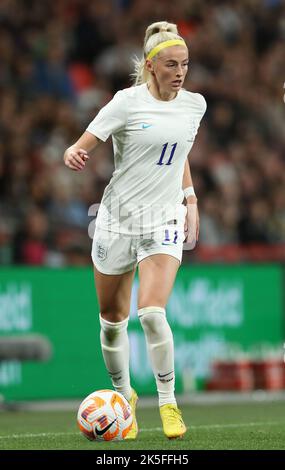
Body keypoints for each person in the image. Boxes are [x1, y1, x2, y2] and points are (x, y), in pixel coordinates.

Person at [64, 20, 206, 440]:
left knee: (152, 314)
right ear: (150, 66)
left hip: (163, 219)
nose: (180, 72)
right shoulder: (125, 103)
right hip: (116, 220)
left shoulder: (194, 105)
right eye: (171, 65)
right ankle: (124, 397)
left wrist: (191, 200)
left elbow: (177, 151)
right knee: (112, 321)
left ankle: (168, 403)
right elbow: (84, 142)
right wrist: (74, 152)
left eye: (185, 64)